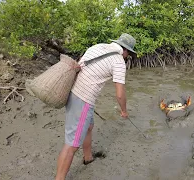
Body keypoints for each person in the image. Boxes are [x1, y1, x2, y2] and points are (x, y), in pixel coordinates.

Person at [55, 33, 136, 180]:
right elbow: (119, 93)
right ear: (126, 50)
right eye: (128, 54)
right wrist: (124, 111)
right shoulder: (118, 61)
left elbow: (80, 67)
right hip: (83, 99)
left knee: (89, 126)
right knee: (72, 145)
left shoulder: (97, 47)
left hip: (72, 92)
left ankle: (88, 158)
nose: (126, 57)